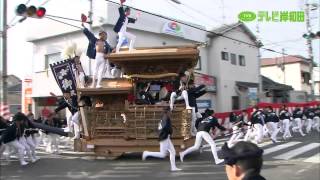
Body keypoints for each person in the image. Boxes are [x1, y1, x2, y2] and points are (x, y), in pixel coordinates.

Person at [142, 107, 182, 171]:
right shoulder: (166, 118)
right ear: (168, 111)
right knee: (163, 154)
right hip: (164, 137)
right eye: (170, 111)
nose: (171, 112)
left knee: (173, 151)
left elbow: (162, 128)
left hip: (166, 137)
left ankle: (173, 167)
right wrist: (170, 131)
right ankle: (147, 153)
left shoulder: (164, 117)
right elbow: (165, 127)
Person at [82, 23, 113, 88]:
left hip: (104, 57)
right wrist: (84, 27)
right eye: (104, 35)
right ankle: (93, 83)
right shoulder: (95, 40)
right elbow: (89, 34)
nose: (105, 36)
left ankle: (98, 84)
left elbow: (110, 48)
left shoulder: (106, 43)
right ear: (100, 35)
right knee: (95, 70)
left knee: (101, 71)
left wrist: (114, 49)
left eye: (106, 35)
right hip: (98, 56)